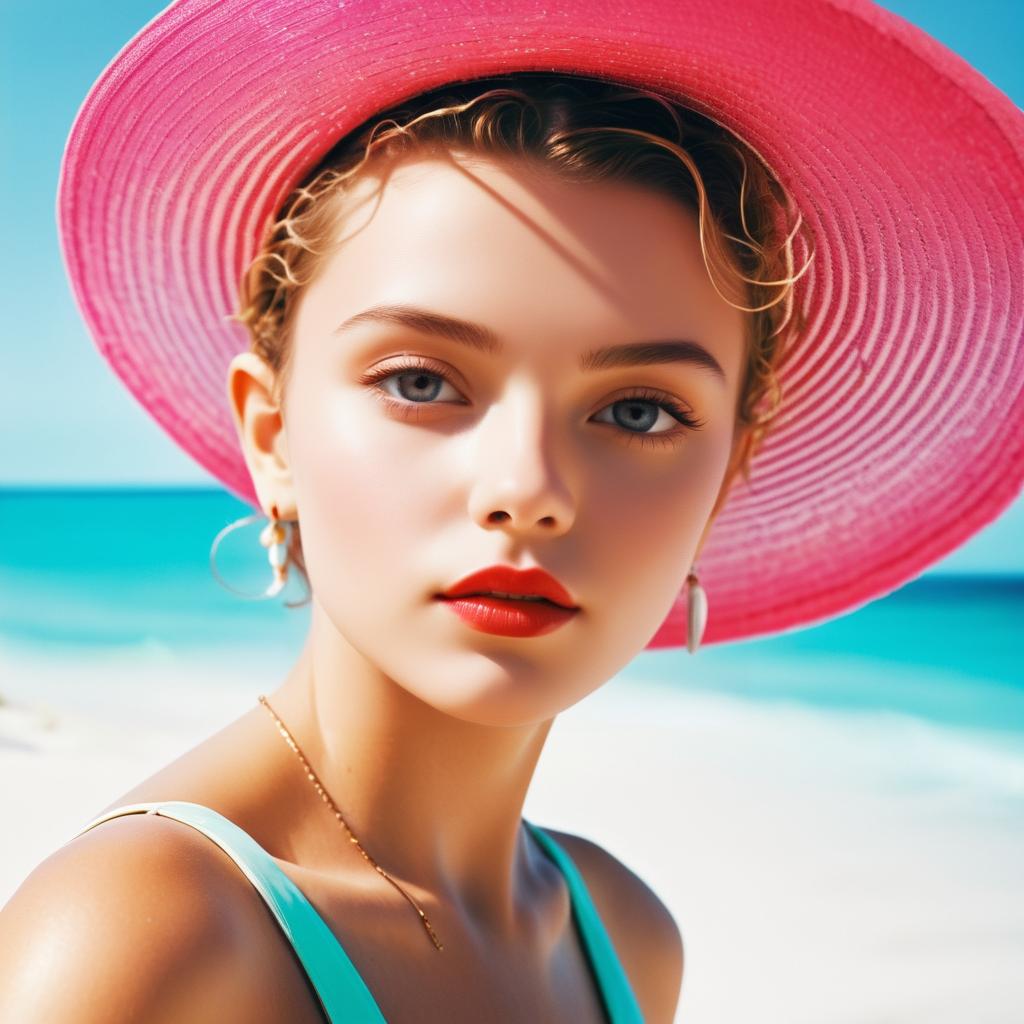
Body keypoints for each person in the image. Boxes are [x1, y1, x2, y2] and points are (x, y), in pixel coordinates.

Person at [3, 1, 1023, 1022]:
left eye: (637, 410)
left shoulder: (621, 934)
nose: (529, 489)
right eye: (420, 381)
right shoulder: (142, 941)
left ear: (724, 474)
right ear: (272, 437)